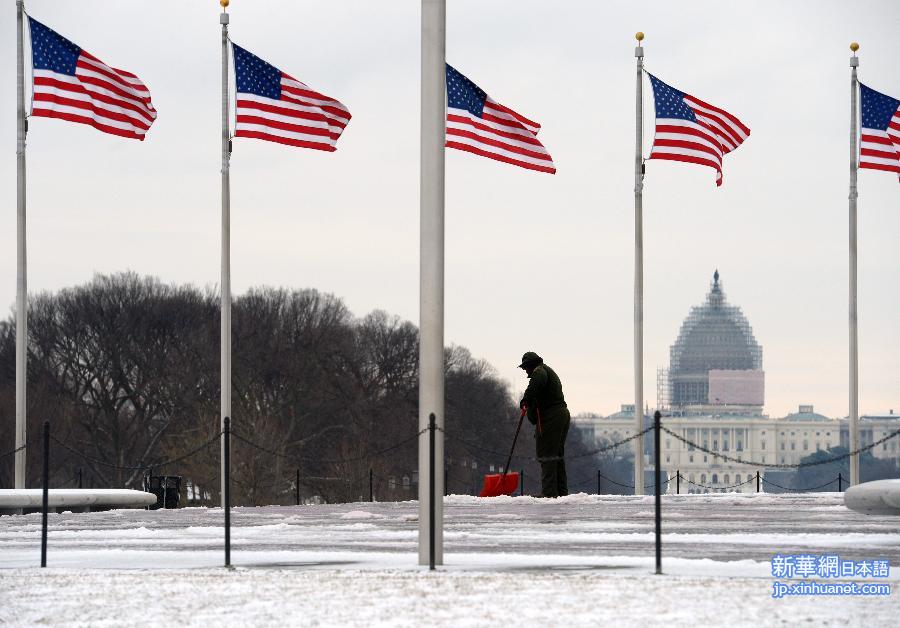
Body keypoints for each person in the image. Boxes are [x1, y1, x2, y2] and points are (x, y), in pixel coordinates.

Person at [518, 351, 570, 498]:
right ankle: (561, 492)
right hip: (561, 414)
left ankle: (549, 493)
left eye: (525, 368)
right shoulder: (547, 371)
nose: (525, 372)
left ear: (530, 365)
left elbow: (536, 384)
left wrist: (525, 400)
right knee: (557, 455)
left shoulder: (539, 371)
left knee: (547, 454)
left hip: (553, 417)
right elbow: (534, 415)